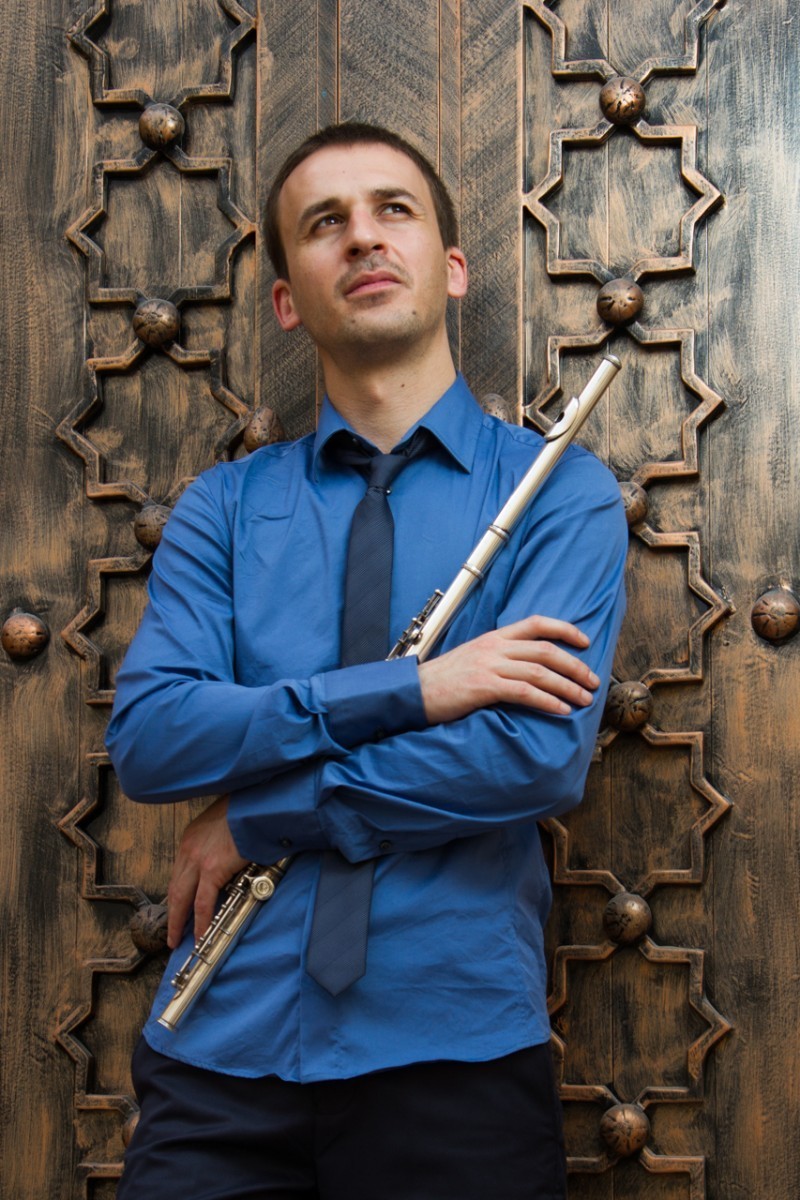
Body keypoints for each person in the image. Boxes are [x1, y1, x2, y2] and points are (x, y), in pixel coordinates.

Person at [106, 122, 627, 1200]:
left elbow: (530, 757)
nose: (361, 238)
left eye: (394, 209)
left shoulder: (555, 492)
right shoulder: (222, 509)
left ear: (452, 267)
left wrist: (265, 813)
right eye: (324, 223)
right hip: (219, 1053)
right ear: (286, 300)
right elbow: (153, 740)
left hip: (454, 1060)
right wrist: (413, 689)